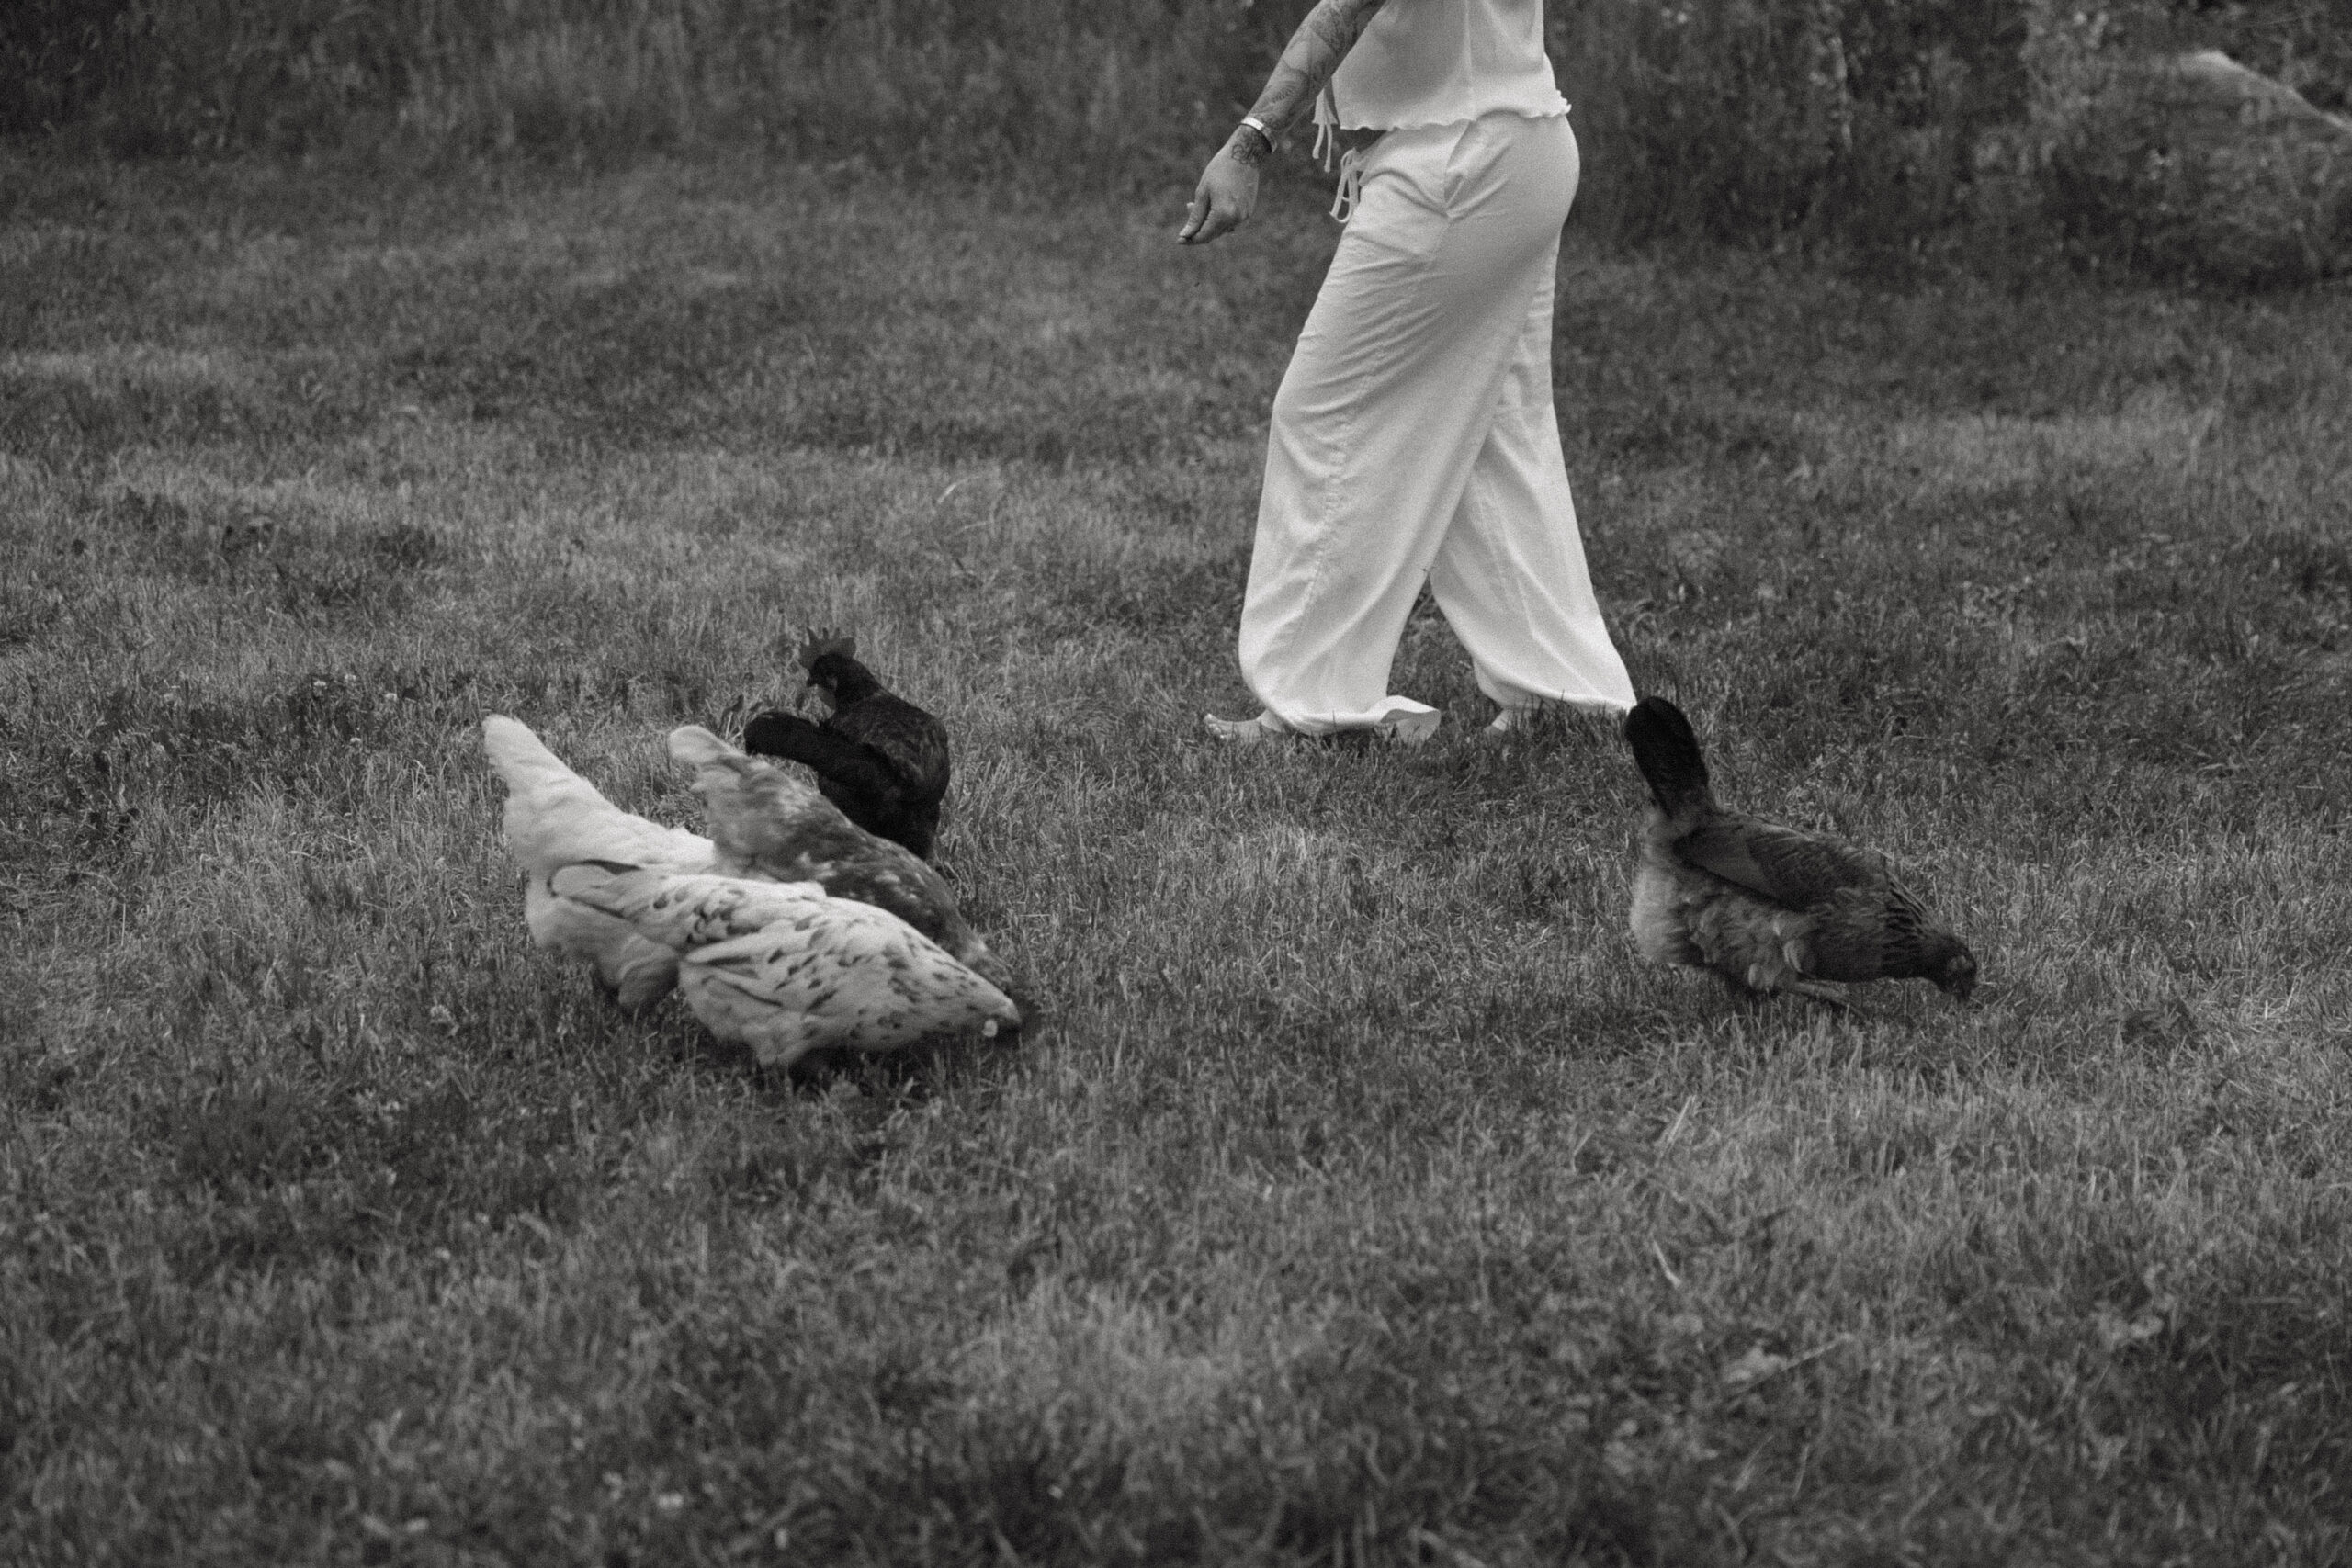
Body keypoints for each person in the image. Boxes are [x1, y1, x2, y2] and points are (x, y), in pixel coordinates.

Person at [1181, 0, 1636, 746]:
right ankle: (1562, 696)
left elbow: (1344, 10)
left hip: (1463, 163)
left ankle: (1312, 711)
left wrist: (1250, 142)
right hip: (1509, 149)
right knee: (1493, 438)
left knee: (1328, 414)